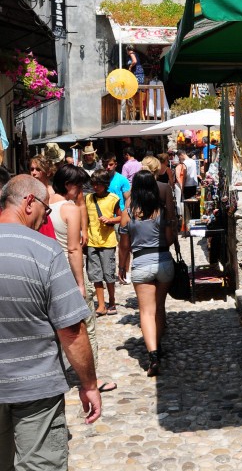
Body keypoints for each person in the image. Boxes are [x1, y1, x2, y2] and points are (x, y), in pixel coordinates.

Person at [0, 175, 100, 471]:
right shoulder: (42, 252)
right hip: (36, 385)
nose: (44, 214)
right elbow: (72, 330)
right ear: (26, 203)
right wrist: (89, 382)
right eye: (41, 207)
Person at [50, 166, 115, 394]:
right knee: (87, 328)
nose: (81, 193)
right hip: (67, 273)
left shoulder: (45, 205)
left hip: (48, 275)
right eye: (79, 187)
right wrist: (80, 283)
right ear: (69, 185)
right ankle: (92, 380)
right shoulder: (70, 209)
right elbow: (74, 249)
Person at [118, 170, 176, 377]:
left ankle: (152, 356)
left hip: (141, 263)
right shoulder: (161, 211)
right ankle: (158, 346)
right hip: (164, 262)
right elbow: (170, 239)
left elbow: (124, 246)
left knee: (146, 312)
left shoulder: (128, 212)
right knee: (159, 308)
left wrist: (122, 266)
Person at [85, 170, 121, 316]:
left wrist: (110, 220)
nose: (95, 187)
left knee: (109, 273)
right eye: (93, 184)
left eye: (98, 185)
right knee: (95, 275)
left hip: (108, 242)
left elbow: (121, 217)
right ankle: (101, 305)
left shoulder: (113, 198)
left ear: (105, 185)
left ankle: (112, 301)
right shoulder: (88, 198)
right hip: (92, 241)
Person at [30, 155, 59, 240]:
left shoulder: (55, 192)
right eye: (31, 169)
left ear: (48, 172)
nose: (34, 172)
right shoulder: (28, 193)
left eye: (38, 169)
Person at [125, 46, 146, 119]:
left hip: (137, 74)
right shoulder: (136, 53)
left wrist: (130, 67)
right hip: (139, 73)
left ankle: (136, 111)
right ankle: (139, 112)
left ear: (128, 50)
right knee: (138, 92)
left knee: (136, 91)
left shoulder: (131, 54)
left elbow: (134, 61)